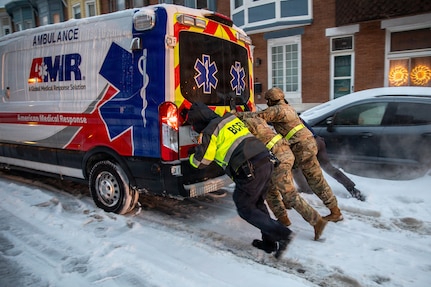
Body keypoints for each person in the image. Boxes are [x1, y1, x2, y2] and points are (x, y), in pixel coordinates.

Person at [187, 102, 294, 258]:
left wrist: (193, 153)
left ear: (198, 122)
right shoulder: (229, 119)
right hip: (266, 161)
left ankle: (283, 234)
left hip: (250, 168)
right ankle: (269, 242)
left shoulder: (210, 130)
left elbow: (201, 162)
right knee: (257, 203)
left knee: (245, 207)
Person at [239, 87, 343, 222]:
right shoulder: (287, 107)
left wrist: (235, 115)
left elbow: (256, 117)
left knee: (314, 178)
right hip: (305, 144)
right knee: (289, 172)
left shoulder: (278, 110)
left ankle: (334, 212)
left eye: (268, 100)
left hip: (301, 146)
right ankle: (289, 201)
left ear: (271, 100)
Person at [241, 117, 328, 240]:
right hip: (279, 153)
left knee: (289, 194)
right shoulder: (254, 118)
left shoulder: (241, 123)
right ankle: (283, 219)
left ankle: (317, 221)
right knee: (270, 190)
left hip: (279, 157)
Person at [293, 120, 366, 201]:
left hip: (307, 145)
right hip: (318, 141)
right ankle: (353, 189)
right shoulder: (294, 116)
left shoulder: (281, 121)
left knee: (295, 168)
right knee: (328, 167)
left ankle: (307, 193)